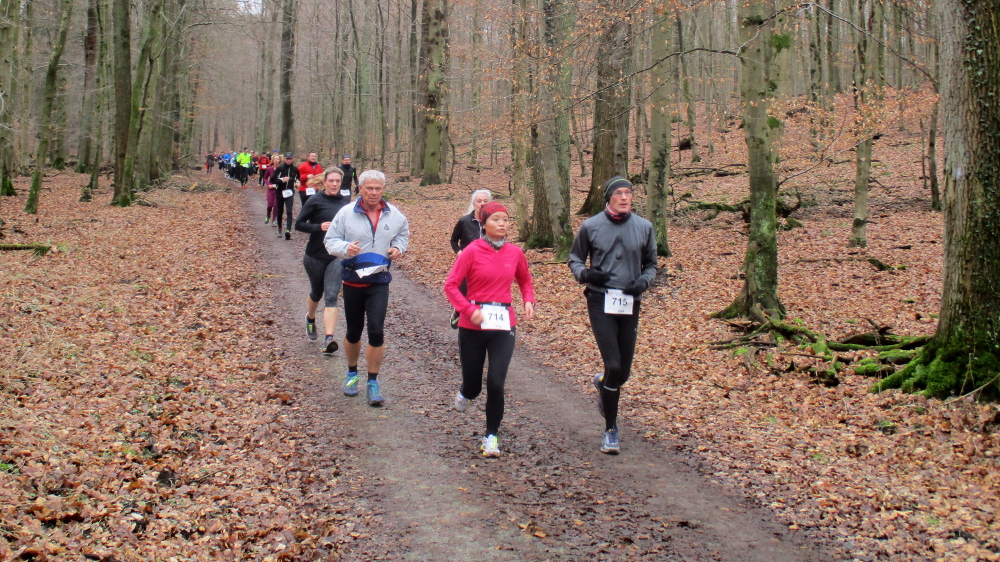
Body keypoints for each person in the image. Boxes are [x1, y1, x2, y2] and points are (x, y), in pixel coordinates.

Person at [567, 176, 657, 455]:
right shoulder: (591, 226)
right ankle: (610, 431)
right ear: (608, 198)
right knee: (614, 365)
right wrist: (586, 274)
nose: (624, 197)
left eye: (628, 192)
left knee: (622, 374)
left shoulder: (644, 227)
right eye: (618, 193)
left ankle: (602, 384)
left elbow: (652, 265)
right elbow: (574, 259)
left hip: (630, 302)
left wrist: (642, 283)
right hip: (600, 300)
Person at [445, 202, 534, 458]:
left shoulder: (515, 253)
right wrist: (467, 309)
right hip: (472, 325)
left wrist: (528, 299)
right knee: (474, 386)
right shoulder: (471, 251)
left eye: (505, 219)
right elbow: (451, 286)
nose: (502, 223)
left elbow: (525, 280)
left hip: (503, 324)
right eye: (496, 219)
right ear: (483, 224)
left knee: (496, 381)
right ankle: (466, 392)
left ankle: (491, 436)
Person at [324, 170, 409, 406]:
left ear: (383, 190)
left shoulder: (394, 214)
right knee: (353, 331)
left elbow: (402, 235)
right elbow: (330, 241)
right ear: (360, 189)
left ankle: (373, 381)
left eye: (377, 188)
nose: (373, 193)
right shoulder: (346, 213)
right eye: (369, 188)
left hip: (379, 282)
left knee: (376, 331)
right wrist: (345, 248)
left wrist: (398, 248)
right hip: (353, 281)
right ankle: (352, 373)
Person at [296, 169, 353, 353]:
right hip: (315, 255)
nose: (334, 184)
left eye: (337, 181)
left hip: (336, 256)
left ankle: (329, 338)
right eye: (331, 181)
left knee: (331, 295)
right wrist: (318, 227)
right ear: (324, 182)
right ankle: (310, 317)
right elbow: (299, 224)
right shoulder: (315, 200)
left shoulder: (346, 202)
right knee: (317, 292)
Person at [447, 189, 492, 328]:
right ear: (473, 204)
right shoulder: (464, 221)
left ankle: (482, 318)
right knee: (464, 291)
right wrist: (459, 252)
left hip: (487, 263)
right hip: (466, 263)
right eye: (479, 201)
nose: (482, 204)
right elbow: (454, 240)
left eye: (485, 201)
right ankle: (458, 312)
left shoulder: (493, 221)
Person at [272, 152, 300, 239]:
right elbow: (273, 180)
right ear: (284, 159)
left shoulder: (295, 169)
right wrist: (282, 180)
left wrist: (297, 183)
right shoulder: (280, 168)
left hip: (290, 192)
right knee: (280, 211)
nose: (288, 160)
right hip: (280, 192)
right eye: (287, 159)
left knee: (289, 211)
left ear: (292, 159)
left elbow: (298, 178)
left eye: (290, 159)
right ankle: (280, 229)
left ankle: (288, 231)